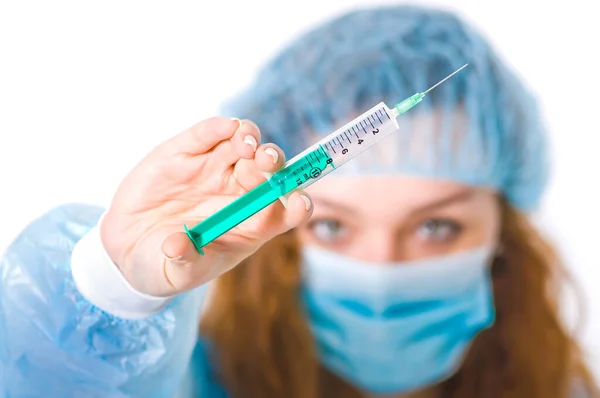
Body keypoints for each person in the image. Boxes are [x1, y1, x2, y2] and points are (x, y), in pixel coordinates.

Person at [0, 4, 597, 398]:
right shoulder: (184, 381)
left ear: (504, 230)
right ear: (282, 228)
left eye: (437, 226)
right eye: (333, 225)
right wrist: (113, 292)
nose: (381, 271)